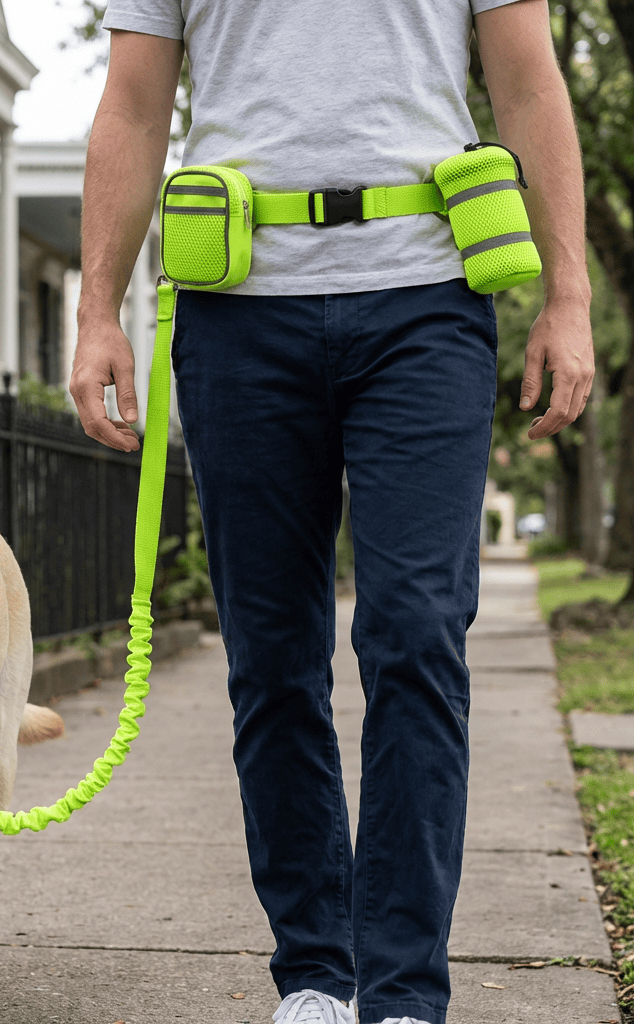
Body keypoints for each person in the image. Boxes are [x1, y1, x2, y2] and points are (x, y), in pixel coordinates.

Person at [69, 2, 594, 1023]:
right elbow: (131, 107)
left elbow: (529, 82)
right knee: (271, 658)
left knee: (416, 636)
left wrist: (568, 295)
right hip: (237, 310)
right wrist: (98, 311)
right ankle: (316, 974)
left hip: (426, 300)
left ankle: (402, 994)